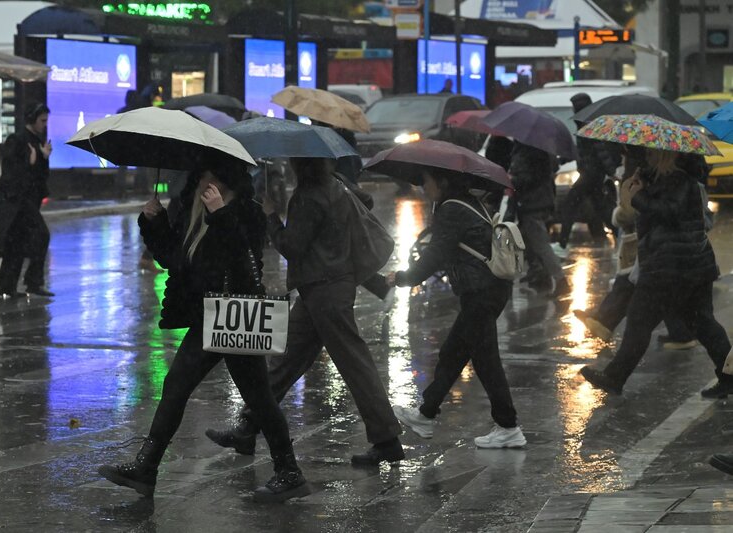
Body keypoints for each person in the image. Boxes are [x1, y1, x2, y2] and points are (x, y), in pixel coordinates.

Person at [98, 165, 310, 503]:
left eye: (213, 177)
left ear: (229, 181)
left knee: (259, 398)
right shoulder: (192, 209)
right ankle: (146, 468)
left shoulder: (247, 212)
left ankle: (289, 471)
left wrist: (221, 215)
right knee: (176, 386)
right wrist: (155, 223)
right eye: (201, 177)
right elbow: (173, 259)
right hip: (206, 316)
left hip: (236, 316)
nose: (204, 184)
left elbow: (244, 261)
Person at [205, 158, 404, 466]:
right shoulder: (335, 183)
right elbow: (363, 200)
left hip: (325, 291)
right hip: (321, 289)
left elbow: (292, 246)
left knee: (355, 364)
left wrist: (272, 217)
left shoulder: (308, 196)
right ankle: (248, 425)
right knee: (284, 363)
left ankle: (387, 438)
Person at [580, 148, 733, 398]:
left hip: (669, 267)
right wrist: (641, 186)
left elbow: (668, 212)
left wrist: (638, 197)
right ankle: (729, 377)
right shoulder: (670, 180)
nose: (647, 158)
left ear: (665, 157)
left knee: (640, 322)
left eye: (651, 155)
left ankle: (614, 377)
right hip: (690, 264)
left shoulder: (681, 181)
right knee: (703, 323)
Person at [389, 169, 525, 448]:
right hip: (486, 290)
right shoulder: (467, 203)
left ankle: (508, 426)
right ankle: (425, 414)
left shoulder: (452, 210)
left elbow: (434, 255)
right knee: (453, 353)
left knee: (486, 361)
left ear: (443, 181)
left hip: (481, 293)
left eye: (426, 180)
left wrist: (402, 278)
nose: (423, 187)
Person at [573, 146, 697, 349]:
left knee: (635, 287)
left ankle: (607, 324)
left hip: (657, 244)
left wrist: (632, 197)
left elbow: (652, 210)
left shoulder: (664, 175)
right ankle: (680, 333)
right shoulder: (670, 173)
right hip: (662, 246)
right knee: (653, 290)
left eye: (649, 154)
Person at [0, 103, 53, 298]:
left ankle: (8, 287)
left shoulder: (37, 141)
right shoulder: (17, 140)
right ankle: (31, 282)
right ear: (32, 119)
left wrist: (43, 157)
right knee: (40, 235)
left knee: (17, 242)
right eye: (42, 120)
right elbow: (12, 172)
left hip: (27, 200)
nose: (45, 124)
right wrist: (31, 161)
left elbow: (40, 176)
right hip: (17, 202)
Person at [557, 93, 621, 248]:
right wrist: (565, 159)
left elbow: (600, 151)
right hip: (591, 172)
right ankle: (613, 235)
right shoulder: (584, 122)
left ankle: (562, 242)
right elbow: (583, 151)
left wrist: (612, 171)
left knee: (570, 204)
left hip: (591, 173)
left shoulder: (589, 124)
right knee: (601, 206)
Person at [509, 141, 569, 297]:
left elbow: (529, 177)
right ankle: (540, 273)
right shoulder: (539, 147)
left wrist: (512, 179)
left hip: (533, 202)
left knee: (541, 244)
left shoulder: (529, 149)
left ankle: (560, 279)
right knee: (529, 240)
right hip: (538, 200)